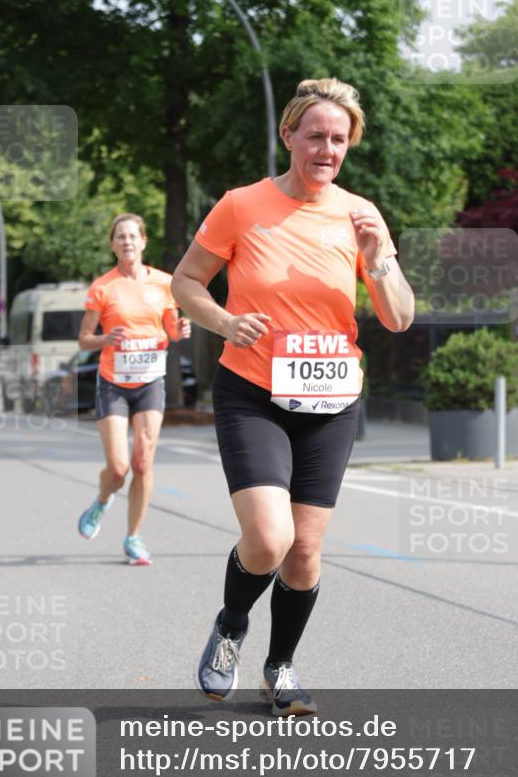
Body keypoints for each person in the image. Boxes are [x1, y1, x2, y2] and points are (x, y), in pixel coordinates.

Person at [171, 78, 415, 715]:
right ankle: (230, 624)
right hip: (253, 390)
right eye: (315, 136)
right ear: (289, 136)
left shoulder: (362, 215)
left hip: (333, 399)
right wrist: (225, 322)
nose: (326, 149)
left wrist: (378, 259)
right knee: (269, 538)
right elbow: (186, 282)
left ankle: (279, 667)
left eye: (339, 139)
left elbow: (399, 318)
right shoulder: (241, 205)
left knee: (305, 551)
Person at [77, 213, 191, 565]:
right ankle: (102, 499)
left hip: (150, 383)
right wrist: (104, 338)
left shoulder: (165, 284)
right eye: (120, 237)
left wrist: (181, 330)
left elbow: (171, 331)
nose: (127, 241)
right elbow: (83, 339)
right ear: (112, 244)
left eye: (132, 236)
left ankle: (133, 537)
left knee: (142, 462)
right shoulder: (103, 288)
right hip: (112, 383)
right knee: (118, 468)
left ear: (143, 241)